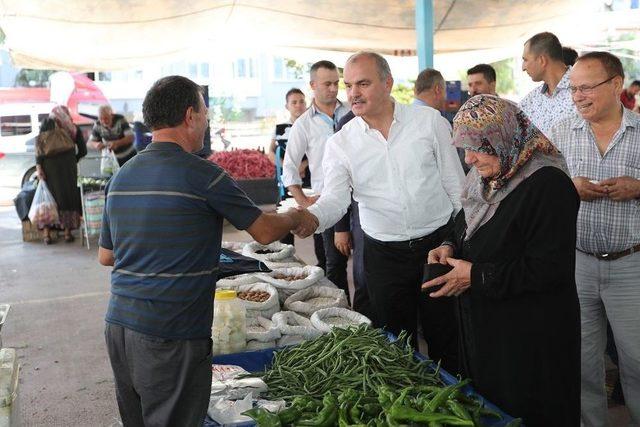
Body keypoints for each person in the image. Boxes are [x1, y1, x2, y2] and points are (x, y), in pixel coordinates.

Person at [98, 76, 304, 427]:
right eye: (205, 113)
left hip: (119, 326)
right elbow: (265, 231)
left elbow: (107, 255)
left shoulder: (123, 175)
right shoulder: (203, 174)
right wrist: (296, 214)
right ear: (190, 115)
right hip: (171, 331)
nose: (206, 121)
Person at [294, 52, 464, 368]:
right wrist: (311, 218)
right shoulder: (341, 143)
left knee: (447, 339)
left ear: (387, 83)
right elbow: (335, 199)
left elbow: (457, 190)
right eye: (349, 85)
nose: (353, 93)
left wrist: (459, 243)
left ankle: (457, 406)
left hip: (437, 249)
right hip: (383, 256)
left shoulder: (428, 123)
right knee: (397, 347)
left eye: (363, 83)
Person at [423, 95, 580, 426]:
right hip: (490, 329)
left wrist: (476, 276)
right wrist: (450, 244)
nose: (469, 159)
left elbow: (551, 269)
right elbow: (466, 222)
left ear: (502, 136)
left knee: (530, 410)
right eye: (464, 148)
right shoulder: (489, 176)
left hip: (531, 335)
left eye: (477, 147)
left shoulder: (548, 184)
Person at [549, 51, 640, 426]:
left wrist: (639, 187)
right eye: (573, 89)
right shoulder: (559, 133)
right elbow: (538, 190)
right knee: (583, 363)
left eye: (587, 87)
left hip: (631, 265)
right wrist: (568, 188)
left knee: (636, 361)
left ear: (616, 84)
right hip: (578, 264)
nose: (578, 96)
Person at [282, 60, 350, 298]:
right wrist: (303, 200)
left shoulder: (353, 111)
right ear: (313, 85)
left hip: (361, 197)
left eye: (336, 83)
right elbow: (289, 166)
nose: (333, 89)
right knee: (334, 264)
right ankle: (341, 317)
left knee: (364, 262)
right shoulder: (303, 124)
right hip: (327, 200)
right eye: (327, 84)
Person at [35, 105, 87, 244]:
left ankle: (47, 234)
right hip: (68, 169)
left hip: (49, 168)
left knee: (48, 199)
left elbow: (39, 147)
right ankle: (67, 233)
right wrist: (72, 160)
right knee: (67, 198)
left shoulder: (47, 124)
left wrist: (39, 166)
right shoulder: (73, 128)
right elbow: (83, 151)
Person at [267, 88, 312, 246]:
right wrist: (287, 167)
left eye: (301, 101)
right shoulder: (280, 128)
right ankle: (286, 258)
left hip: (310, 182)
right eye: (294, 102)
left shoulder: (312, 125)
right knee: (285, 221)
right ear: (287, 106)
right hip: (286, 182)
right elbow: (271, 152)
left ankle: (323, 263)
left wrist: (304, 164)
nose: (298, 105)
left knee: (316, 218)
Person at [519, 32, 576, 135]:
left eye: (525, 60)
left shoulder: (585, 89)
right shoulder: (529, 102)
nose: (523, 67)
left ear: (542, 60)